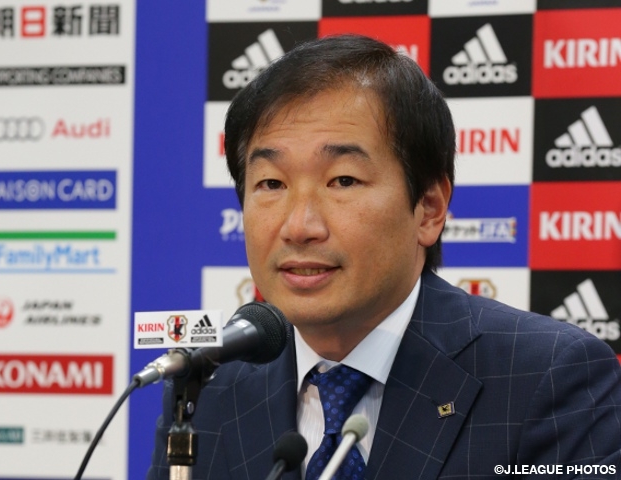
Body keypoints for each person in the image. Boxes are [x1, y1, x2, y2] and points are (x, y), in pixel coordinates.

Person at [148, 35, 621, 479]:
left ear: (429, 209)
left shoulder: (546, 376)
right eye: (271, 183)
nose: (299, 226)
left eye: (343, 181)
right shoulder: (208, 388)